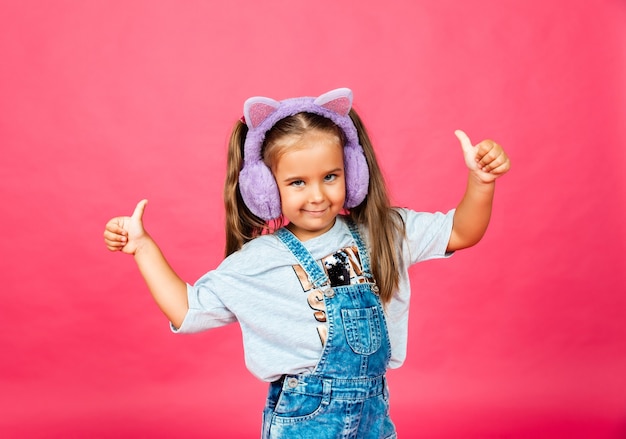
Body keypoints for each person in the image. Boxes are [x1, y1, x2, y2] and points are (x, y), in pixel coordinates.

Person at [103, 88, 510, 438]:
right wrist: (143, 247)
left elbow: (461, 232)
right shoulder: (260, 260)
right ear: (265, 189)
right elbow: (187, 310)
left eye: (330, 176)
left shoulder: (384, 231)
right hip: (306, 418)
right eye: (297, 182)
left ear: (353, 171)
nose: (316, 195)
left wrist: (480, 182)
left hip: (373, 411)